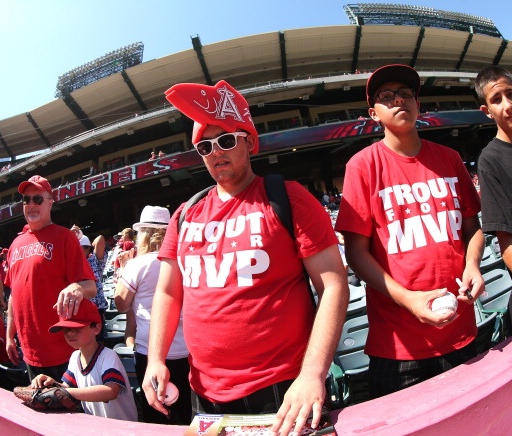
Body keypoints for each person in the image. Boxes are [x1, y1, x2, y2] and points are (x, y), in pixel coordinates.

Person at [143, 80, 348, 436]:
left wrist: (312, 374)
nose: (215, 152)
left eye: (225, 140)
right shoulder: (185, 214)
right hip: (204, 392)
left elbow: (333, 284)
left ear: (249, 142)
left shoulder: (288, 197)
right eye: (205, 146)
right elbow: (167, 292)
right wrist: (155, 359)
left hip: (284, 388)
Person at [335, 64, 485, 399]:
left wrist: (473, 264)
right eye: (386, 97)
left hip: (461, 330)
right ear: (374, 114)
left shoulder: (449, 158)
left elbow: (473, 228)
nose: (398, 100)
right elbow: (356, 254)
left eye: (405, 94)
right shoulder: (362, 165)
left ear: (419, 105)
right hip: (398, 346)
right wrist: (408, 300)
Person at [4, 175, 97, 382]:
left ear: (50, 203)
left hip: (64, 350)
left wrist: (77, 288)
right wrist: (9, 335)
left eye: (37, 199)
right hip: (29, 351)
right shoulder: (15, 245)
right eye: (26, 200)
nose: (31, 205)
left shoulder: (65, 238)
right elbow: (13, 296)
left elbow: (90, 287)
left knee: (70, 410)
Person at [115, 205, 191, 425]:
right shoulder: (184, 260)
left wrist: (122, 272)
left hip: (150, 350)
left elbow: (120, 305)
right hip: (186, 349)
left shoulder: (136, 265)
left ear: (143, 235)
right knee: (185, 411)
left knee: (155, 413)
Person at [29, 298, 137, 421]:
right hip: (96, 427)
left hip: (123, 428)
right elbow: (67, 389)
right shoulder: (75, 357)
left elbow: (111, 391)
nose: (70, 333)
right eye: (66, 329)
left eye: (76, 328)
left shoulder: (108, 356)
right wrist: (52, 383)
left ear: (96, 328)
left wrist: (62, 392)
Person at [475, 66, 512, 272]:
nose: (507, 105)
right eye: (496, 99)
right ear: (487, 111)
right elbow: (507, 245)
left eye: (510, 94)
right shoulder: (490, 161)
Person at [71, 226, 109, 341]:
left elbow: (100, 239)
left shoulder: (95, 261)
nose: (78, 250)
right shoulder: (70, 265)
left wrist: (81, 237)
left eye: (81, 247)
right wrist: (71, 238)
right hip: (79, 310)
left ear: (88, 249)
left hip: (96, 309)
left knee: (99, 341)